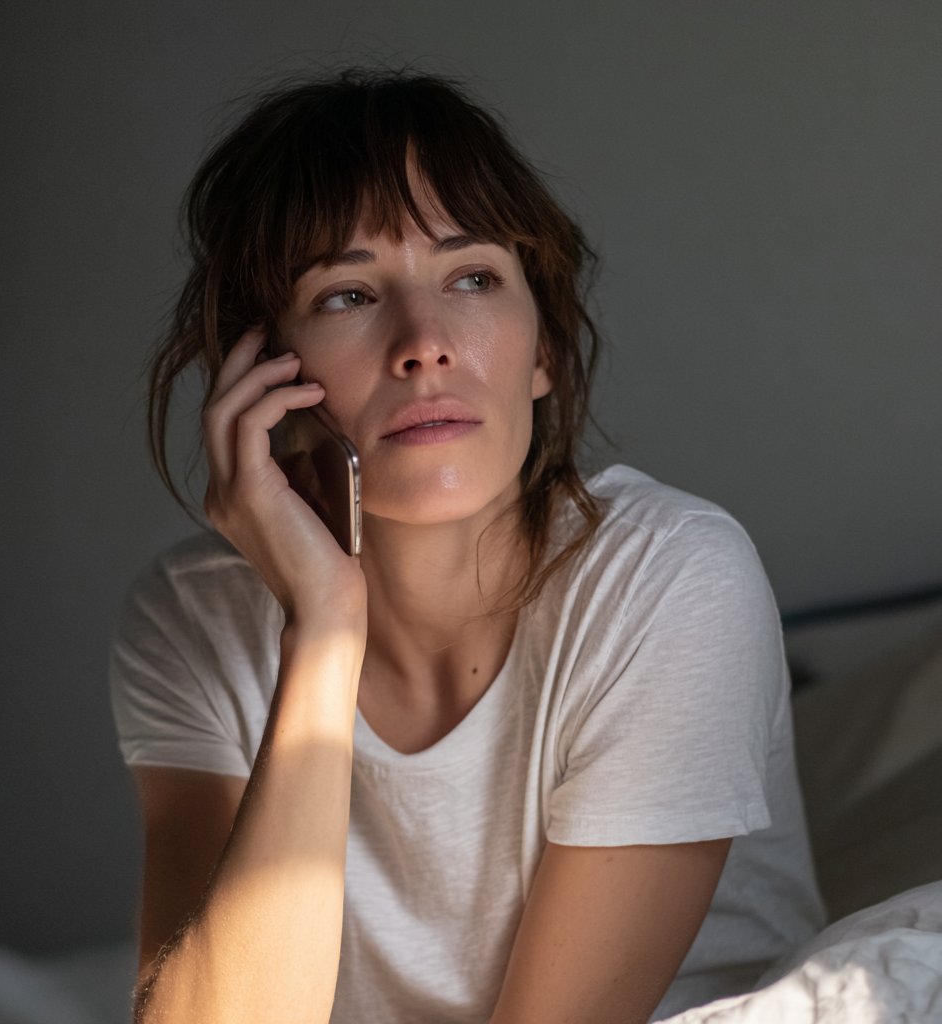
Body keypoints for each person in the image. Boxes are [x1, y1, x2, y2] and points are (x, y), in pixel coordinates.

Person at [109, 68, 826, 1024]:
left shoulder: (670, 578)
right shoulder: (190, 619)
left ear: (543, 353)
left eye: (473, 277)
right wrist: (323, 632)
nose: (424, 342)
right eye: (347, 295)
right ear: (259, 371)